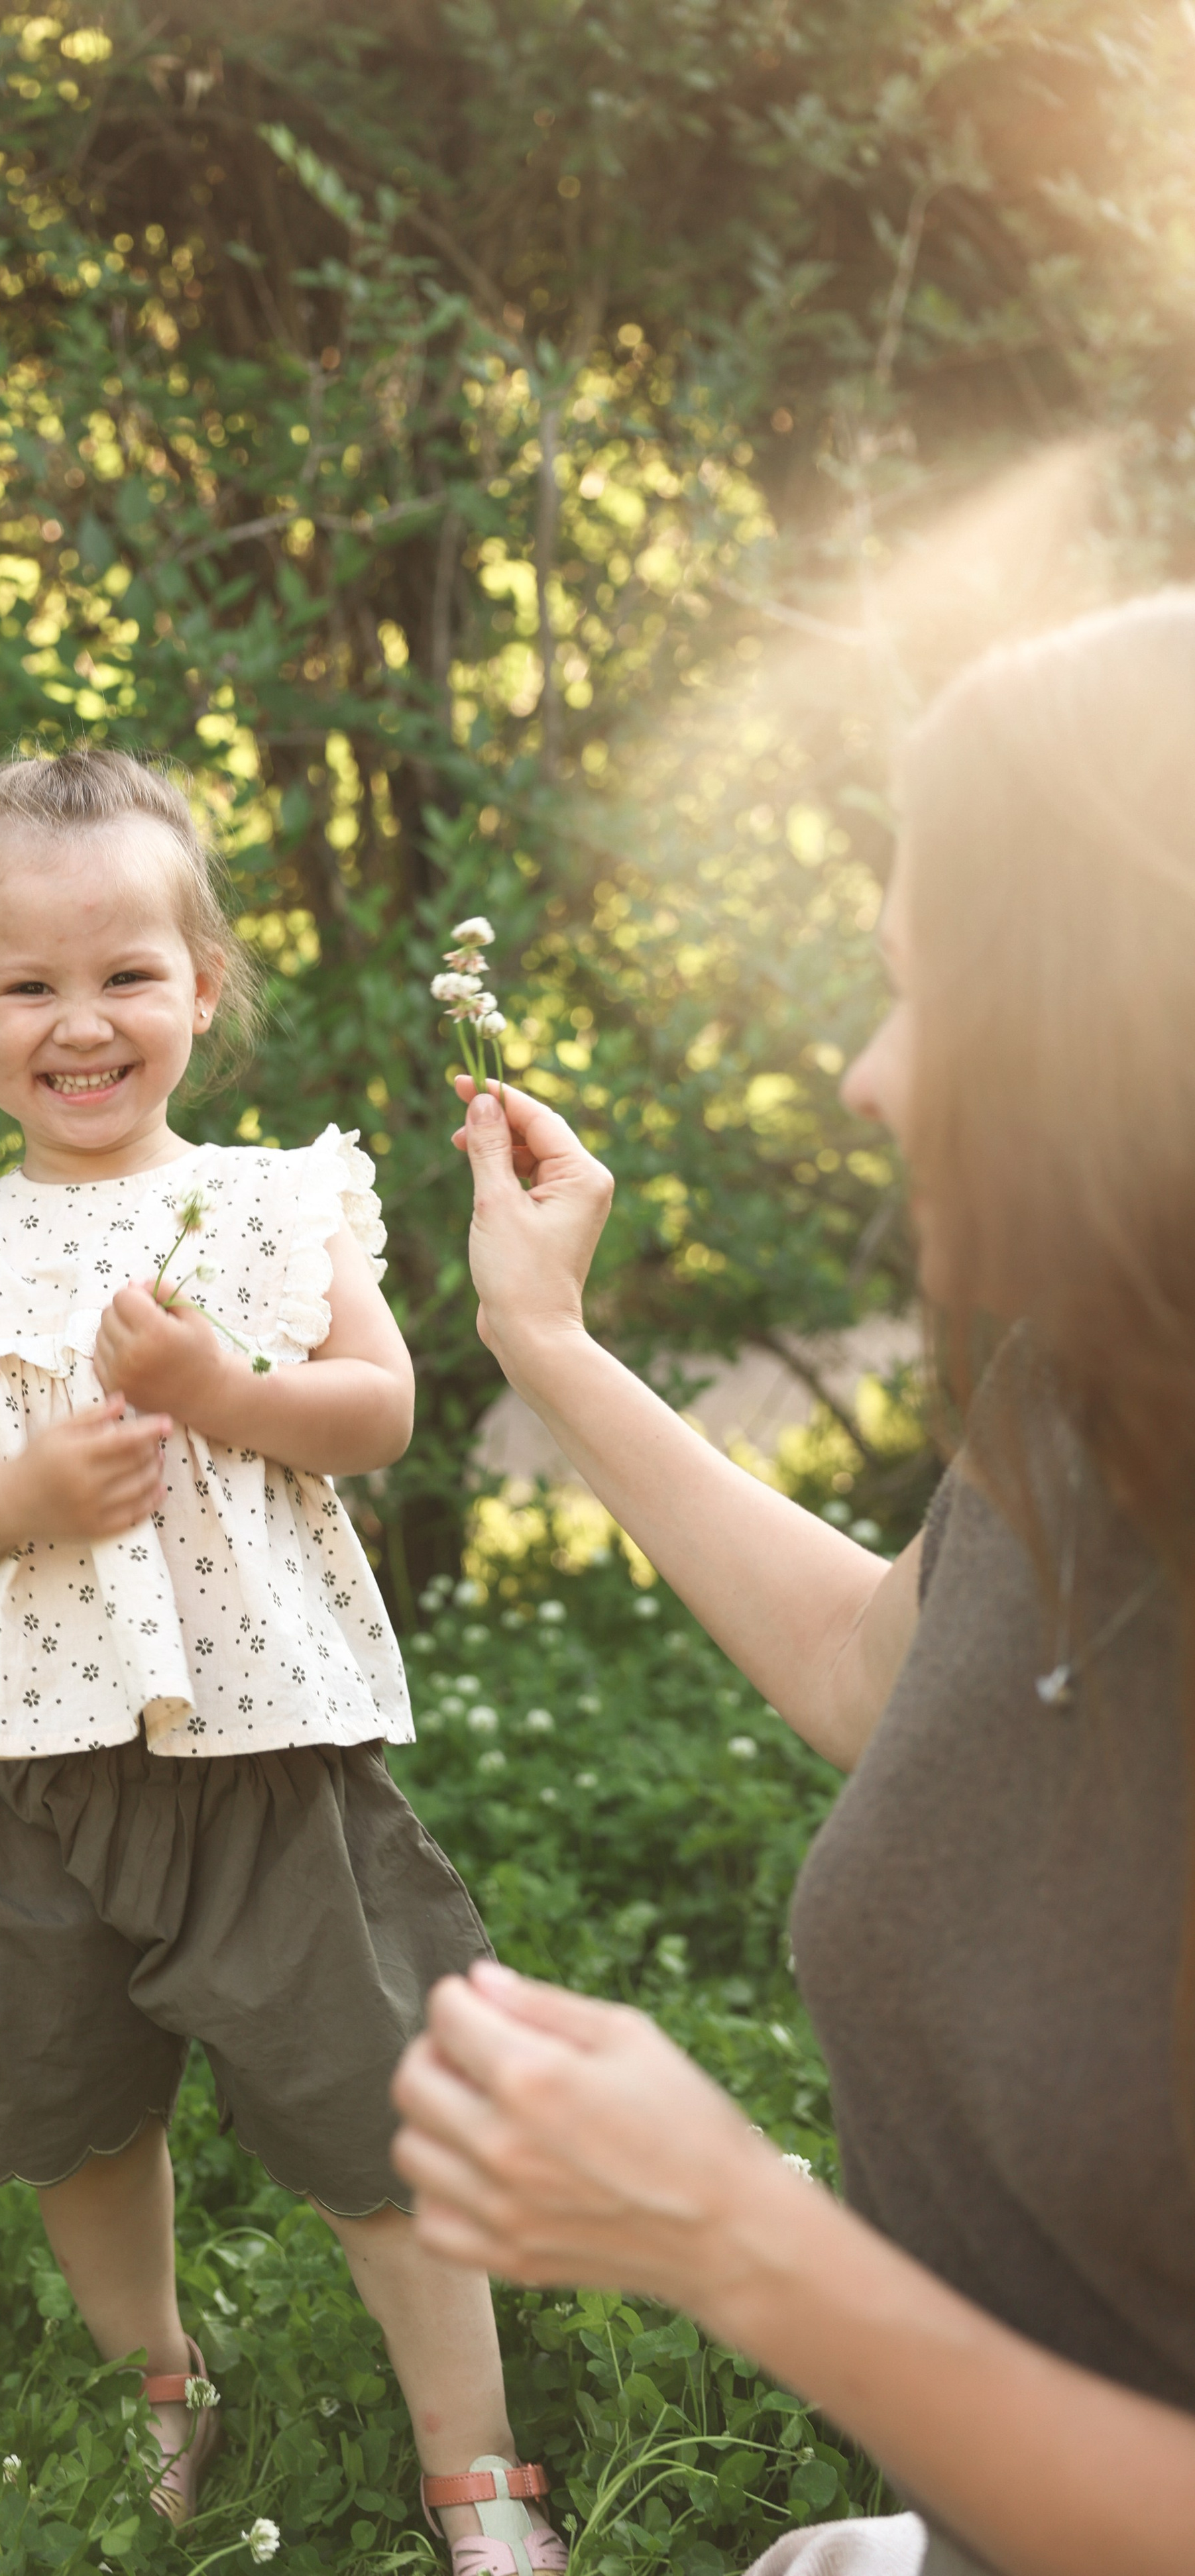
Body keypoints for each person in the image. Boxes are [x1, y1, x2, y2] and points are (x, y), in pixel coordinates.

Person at [390, 596, 1195, 2576]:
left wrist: (743, 2245)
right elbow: (878, 1672)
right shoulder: (1090, 1390)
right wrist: (551, 1348)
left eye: (933, 995)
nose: (862, 1074)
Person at [0, 746, 567, 2571]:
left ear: (203, 987)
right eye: (29, 984)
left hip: (264, 1753)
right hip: (23, 1757)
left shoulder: (278, 1203)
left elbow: (377, 1411)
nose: (83, 1022)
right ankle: (163, 2380)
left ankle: (477, 2472)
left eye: (127, 973)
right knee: (68, 2108)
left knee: (365, 2103)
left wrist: (223, 1394)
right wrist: (25, 1498)